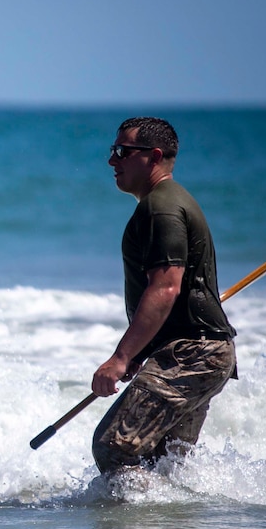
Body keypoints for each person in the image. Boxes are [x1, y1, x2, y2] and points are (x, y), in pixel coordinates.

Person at [90, 117, 236, 476]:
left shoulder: (162, 208)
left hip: (193, 354)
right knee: (161, 466)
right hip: (198, 351)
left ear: (154, 156)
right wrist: (143, 350)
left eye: (123, 152)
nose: (113, 160)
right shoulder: (164, 203)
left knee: (113, 446)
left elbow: (166, 288)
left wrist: (121, 358)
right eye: (113, 151)